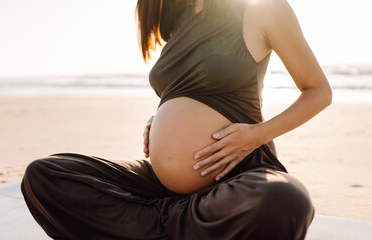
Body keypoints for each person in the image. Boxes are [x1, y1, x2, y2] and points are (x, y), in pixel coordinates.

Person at [21, 0, 332, 239]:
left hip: (235, 174)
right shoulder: (177, 23)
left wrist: (255, 135)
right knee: (45, 176)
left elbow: (318, 92)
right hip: (161, 188)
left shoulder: (260, 8)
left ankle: (147, 227)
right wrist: (159, 118)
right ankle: (174, 223)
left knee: (283, 200)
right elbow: (189, 90)